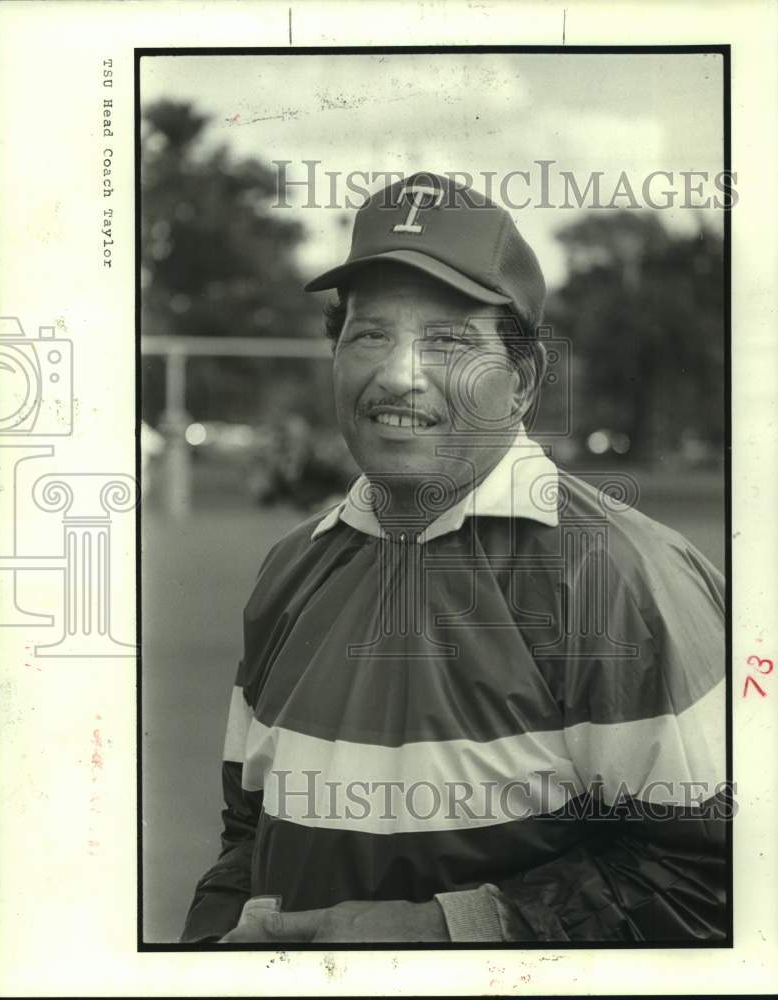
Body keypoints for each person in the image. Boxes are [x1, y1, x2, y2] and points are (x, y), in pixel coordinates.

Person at [181, 172, 728, 943]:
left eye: (447, 340)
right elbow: (248, 834)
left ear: (522, 381)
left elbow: (708, 882)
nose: (397, 374)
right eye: (369, 334)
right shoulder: (291, 568)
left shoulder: (618, 577)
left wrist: (443, 931)